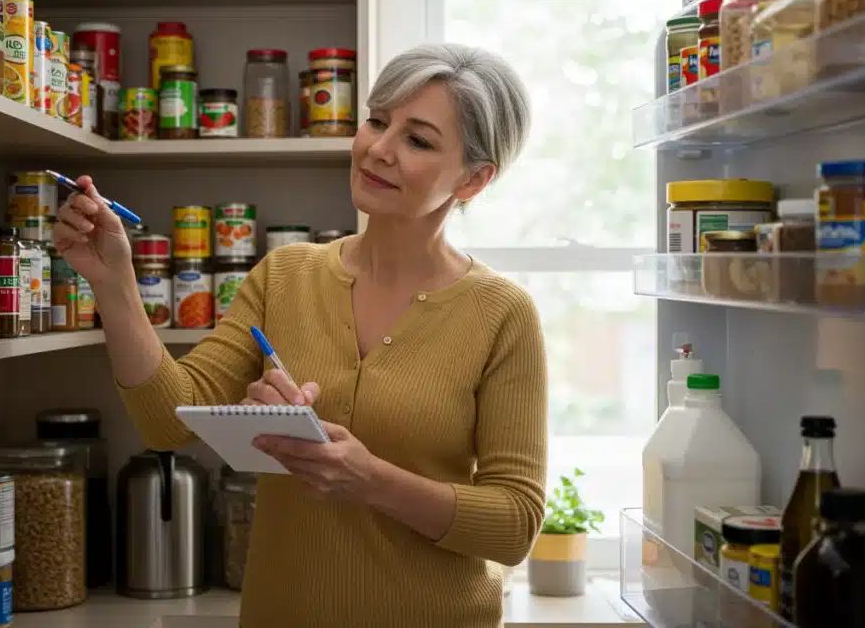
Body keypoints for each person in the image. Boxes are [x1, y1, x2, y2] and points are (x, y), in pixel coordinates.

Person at [55, 43, 547, 627]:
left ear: (473, 179)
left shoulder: (503, 314)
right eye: (376, 120)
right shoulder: (285, 275)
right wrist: (114, 285)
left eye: (417, 140)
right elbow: (168, 419)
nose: (378, 150)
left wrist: (369, 479)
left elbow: (514, 524)